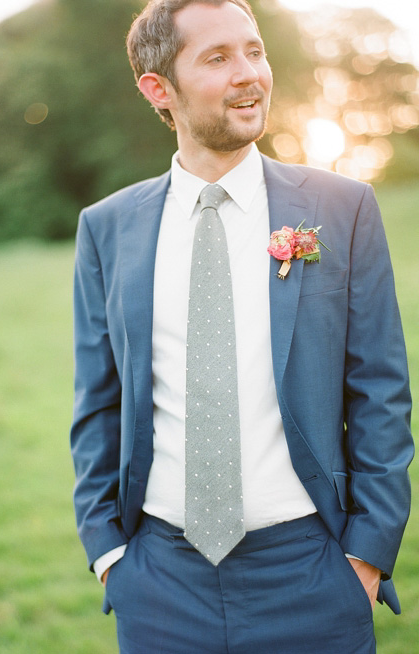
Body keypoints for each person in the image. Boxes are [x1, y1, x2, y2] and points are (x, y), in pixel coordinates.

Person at [69, 1, 413, 652]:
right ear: (158, 89)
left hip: (313, 571)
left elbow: (381, 393)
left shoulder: (342, 210)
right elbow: (97, 403)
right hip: (159, 580)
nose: (248, 73)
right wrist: (109, 553)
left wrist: (364, 557)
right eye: (218, 58)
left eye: (254, 51)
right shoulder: (107, 228)